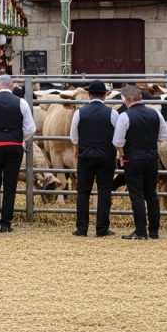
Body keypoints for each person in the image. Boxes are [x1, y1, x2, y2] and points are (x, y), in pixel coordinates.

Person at [0, 74, 36, 233]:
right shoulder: (22, 103)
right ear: (12, 87)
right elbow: (31, 128)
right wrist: (17, 138)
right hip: (14, 147)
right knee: (10, 185)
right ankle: (6, 223)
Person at [113, 84, 167, 240]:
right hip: (152, 158)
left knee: (137, 195)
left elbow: (117, 141)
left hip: (132, 159)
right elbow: (165, 137)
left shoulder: (125, 116)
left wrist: (122, 154)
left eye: (124, 97)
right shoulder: (155, 114)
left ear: (129, 98)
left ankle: (140, 230)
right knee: (151, 194)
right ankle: (154, 231)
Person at [69, 80, 119, 237]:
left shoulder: (79, 113)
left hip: (86, 157)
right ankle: (102, 229)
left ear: (89, 95)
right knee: (104, 192)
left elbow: (74, 138)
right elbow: (118, 138)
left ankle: (82, 229)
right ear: (105, 95)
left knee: (83, 192)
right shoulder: (113, 113)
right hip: (106, 157)